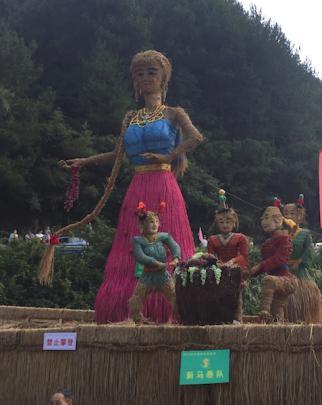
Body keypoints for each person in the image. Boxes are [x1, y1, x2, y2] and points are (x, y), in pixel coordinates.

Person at [59, 50, 203, 323]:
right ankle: (125, 310)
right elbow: (117, 154)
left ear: (163, 78)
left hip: (163, 184)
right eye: (139, 73)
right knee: (130, 245)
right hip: (138, 186)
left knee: (166, 238)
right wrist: (84, 161)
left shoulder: (174, 113)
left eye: (151, 72)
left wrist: (168, 157)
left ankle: (171, 310)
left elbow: (196, 137)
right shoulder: (130, 118)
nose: (145, 77)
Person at [128, 204, 180, 323]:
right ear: (143, 225)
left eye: (156, 221)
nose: (155, 224)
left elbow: (174, 246)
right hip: (147, 275)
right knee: (137, 298)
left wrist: (176, 258)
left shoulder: (163, 236)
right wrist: (155, 263)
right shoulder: (137, 240)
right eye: (151, 222)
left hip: (163, 275)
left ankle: (179, 318)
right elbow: (140, 256)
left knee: (174, 296)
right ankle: (138, 320)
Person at [250, 198, 298, 323]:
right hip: (275, 280)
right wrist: (250, 272)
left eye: (267, 218)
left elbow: (280, 258)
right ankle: (277, 328)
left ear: (278, 219)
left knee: (268, 280)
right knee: (276, 311)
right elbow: (264, 265)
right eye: (262, 219)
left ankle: (264, 311)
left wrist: (260, 266)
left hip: (286, 279)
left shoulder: (285, 239)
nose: (264, 222)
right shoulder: (266, 244)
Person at [207, 190, 250, 322]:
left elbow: (244, 256)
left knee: (236, 296)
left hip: (235, 270)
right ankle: (220, 318)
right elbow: (210, 257)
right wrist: (215, 263)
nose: (225, 225)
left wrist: (232, 262)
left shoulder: (240, 238)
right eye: (221, 222)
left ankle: (238, 318)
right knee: (218, 296)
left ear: (234, 222)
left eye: (228, 221)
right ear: (217, 223)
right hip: (219, 271)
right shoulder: (212, 240)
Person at [282, 194, 322, 324]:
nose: (288, 216)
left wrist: (299, 262)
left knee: (303, 300)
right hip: (283, 272)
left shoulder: (304, 234)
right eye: (285, 213)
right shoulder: (280, 234)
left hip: (299, 272)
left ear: (299, 216)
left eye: (292, 213)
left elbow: (309, 250)